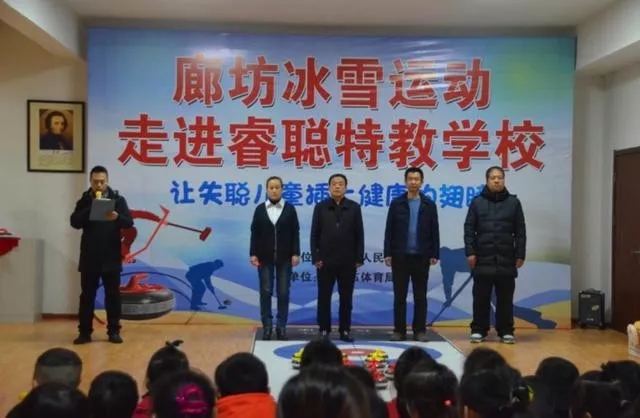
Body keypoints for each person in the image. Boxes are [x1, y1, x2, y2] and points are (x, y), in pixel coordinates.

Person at [70, 165, 134, 344]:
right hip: (89, 257)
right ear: (90, 181)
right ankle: (84, 333)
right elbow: (74, 222)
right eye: (95, 182)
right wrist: (91, 208)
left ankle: (114, 331)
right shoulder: (85, 200)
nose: (99, 185)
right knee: (87, 296)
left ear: (107, 181)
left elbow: (129, 222)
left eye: (102, 182)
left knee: (113, 296)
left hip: (111, 257)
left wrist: (117, 217)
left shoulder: (118, 199)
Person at [463, 166, 526, 344]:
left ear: (504, 180)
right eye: (493, 178)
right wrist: (470, 252)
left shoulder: (514, 203)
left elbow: (520, 231)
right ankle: (479, 329)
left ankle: (506, 330)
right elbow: (469, 229)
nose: (497, 180)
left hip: (506, 258)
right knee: (480, 297)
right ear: (487, 180)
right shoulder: (477, 202)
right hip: (483, 258)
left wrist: (520, 254)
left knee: (505, 298)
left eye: (500, 177)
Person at [384, 167, 440, 342]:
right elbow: (389, 230)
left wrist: (435, 253)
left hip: (421, 256)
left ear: (422, 182)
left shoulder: (429, 205)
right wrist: (387, 253)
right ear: (405, 181)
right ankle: (399, 330)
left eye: (417, 179)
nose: (413, 182)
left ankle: (420, 330)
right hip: (400, 256)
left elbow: (434, 230)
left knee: (420, 296)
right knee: (399, 296)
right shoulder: (397, 204)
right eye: (410, 179)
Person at [310, 174, 364, 342]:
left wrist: (359, 257)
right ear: (329, 187)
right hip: (325, 260)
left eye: (341, 184)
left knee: (346, 297)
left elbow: (359, 234)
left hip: (348, 261)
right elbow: (314, 234)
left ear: (346, 187)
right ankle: (323, 329)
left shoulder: (354, 207)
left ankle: (345, 330)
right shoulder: (321, 207)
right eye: (334, 184)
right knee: (324, 297)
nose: (337, 187)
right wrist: (316, 257)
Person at [250, 176, 301, 340]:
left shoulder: (290, 209)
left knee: (283, 293)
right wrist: (253, 253)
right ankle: (267, 326)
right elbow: (254, 233)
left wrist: (295, 253)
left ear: (282, 189)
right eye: (271, 187)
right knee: (265, 292)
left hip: (285, 258)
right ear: (266, 190)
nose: (274, 190)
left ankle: (281, 327)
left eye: (277, 187)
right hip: (264, 258)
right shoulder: (260, 209)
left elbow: (295, 232)